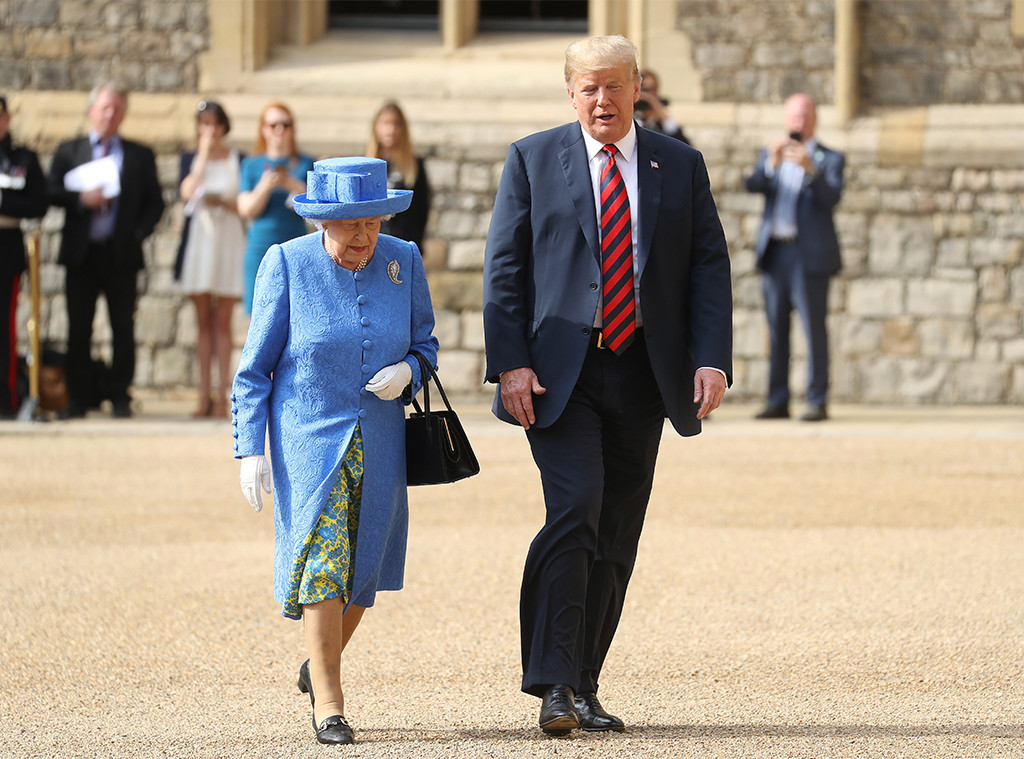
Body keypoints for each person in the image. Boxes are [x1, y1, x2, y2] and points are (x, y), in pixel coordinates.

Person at [482, 35, 732, 735]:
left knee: (617, 528)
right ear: (570, 92)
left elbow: (709, 264)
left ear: (636, 87)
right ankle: (554, 681)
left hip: (646, 373)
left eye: (614, 86)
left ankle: (585, 682)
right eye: (588, 87)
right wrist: (510, 362)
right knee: (577, 508)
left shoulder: (678, 164)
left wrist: (711, 358)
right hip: (561, 372)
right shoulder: (533, 159)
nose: (602, 99)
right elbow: (503, 268)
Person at [232, 157, 438, 746]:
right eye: (349, 224)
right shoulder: (287, 264)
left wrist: (409, 370)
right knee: (323, 562)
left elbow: (427, 344)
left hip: (381, 441)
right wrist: (251, 449)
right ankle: (330, 704)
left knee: (364, 566)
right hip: (307, 440)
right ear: (322, 221)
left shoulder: (404, 261)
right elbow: (253, 373)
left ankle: (317, 659)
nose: (363, 236)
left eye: (373, 221)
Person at [48, 81, 165, 419]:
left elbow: (154, 203)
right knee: (78, 328)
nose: (110, 113)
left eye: (116, 108)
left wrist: (138, 233)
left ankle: (119, 394)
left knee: (122, 327)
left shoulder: (139, 155)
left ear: (123, 114)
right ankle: (78, 396)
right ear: (91, 111)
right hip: (81, 254)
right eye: (104, 107)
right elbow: (52, 190)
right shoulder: (69, 151)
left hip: (121, 255)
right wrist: (80, 200)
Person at [745, 92, 845, 422]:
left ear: (814, 119)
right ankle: (778, 400)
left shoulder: (829, 157)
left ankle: (817, 400)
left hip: (808, 256)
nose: (798, 123)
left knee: (813, 330)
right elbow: (753, 185)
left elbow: (832, 197)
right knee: (776, 330)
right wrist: (771, 165)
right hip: (776, 252)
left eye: (804, 116)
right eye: (794, 116)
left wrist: (810, 169)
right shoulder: (771, 153)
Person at [177, 100, 245, 418]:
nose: (210, 131)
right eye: (204, 124)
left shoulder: (237, 158)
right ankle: (203, 394)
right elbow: (188, 191)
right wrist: (203, 155)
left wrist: (223, 202)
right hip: (201, 242)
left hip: (228, 237)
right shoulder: (191, 158)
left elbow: (243, 202)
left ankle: (223, 395)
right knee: (203, 321)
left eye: (215, 124)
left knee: (223, 321)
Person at [237, 102, 314, 314]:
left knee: (297, 313)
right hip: (260, 247)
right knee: (260, 316)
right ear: (263, 129)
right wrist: (265, 185)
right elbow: (246, 210)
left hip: (296, 247)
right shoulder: (250, 165)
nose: (279, 130)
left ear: (292, 128)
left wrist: (292, 184)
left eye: (285, 124)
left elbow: (316, 208)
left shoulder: (306, 163)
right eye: (273, 125)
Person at [0, 94, 48, 417]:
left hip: (6, 243)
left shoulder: (22, 158)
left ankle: (5, 398)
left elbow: (37, 203)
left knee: (5, 327)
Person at [366, 101, 431, 251]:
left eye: (396, 124)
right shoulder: (367, 165)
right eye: (386, 123)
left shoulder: (414, 165)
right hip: (373, 245)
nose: (391, 129)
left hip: (404, 243)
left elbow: (422, 208)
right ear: (376, 127)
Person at [634, 69, 690, 144]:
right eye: (643, 89)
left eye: (650, 90)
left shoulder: (663, 108)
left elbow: (680, 140)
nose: (645, 94)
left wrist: (656, 107)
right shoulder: (633, 111)